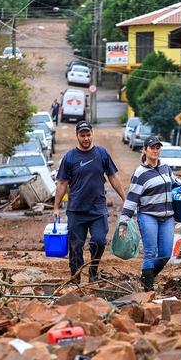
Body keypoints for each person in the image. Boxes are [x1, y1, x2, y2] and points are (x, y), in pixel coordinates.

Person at [53, 121, 126, 283]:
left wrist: (124, 198)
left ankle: (93, 270)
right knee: (75, 246)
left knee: (99, 241)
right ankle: (76, 278)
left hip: (97, 210)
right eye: (82, 135)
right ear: (77, 136)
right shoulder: (69, 157)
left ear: (92, 134)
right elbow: (62, 183)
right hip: (76, 210)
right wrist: (56, 207)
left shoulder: (101, 153)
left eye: (88, 135)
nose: (86, 138)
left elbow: (113, 177)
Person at [118, 138, 181, 291]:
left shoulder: (165, 167)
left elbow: (176, 184)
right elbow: (132, 198)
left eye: (158, 147)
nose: (155, 150)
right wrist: (123, 222)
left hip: (167, 217)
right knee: (150, 252)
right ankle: (148, 288)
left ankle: (147, 277)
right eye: (152, 147)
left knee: (165, 254)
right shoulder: (140, 173)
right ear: (145, 150)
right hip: (148, 216)